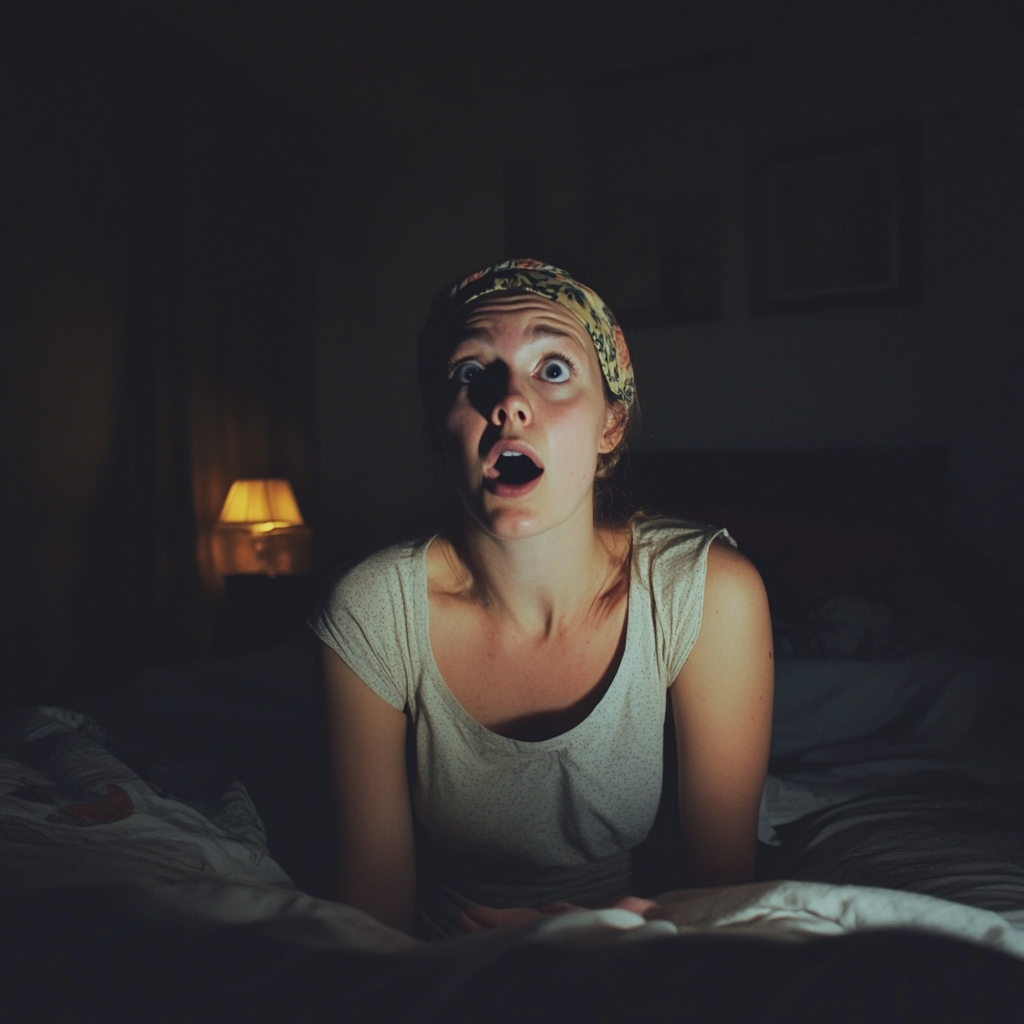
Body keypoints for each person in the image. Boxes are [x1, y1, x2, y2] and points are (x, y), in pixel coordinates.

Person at [311, 259, 773, 940]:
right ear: (442, 429)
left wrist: (596, 940)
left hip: (639, 954)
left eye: (552, 369)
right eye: (471, 374)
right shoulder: (372, 610)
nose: (508, 401)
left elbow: (723, 896)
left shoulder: (706, 591)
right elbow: (371, 913)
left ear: (611, 426)